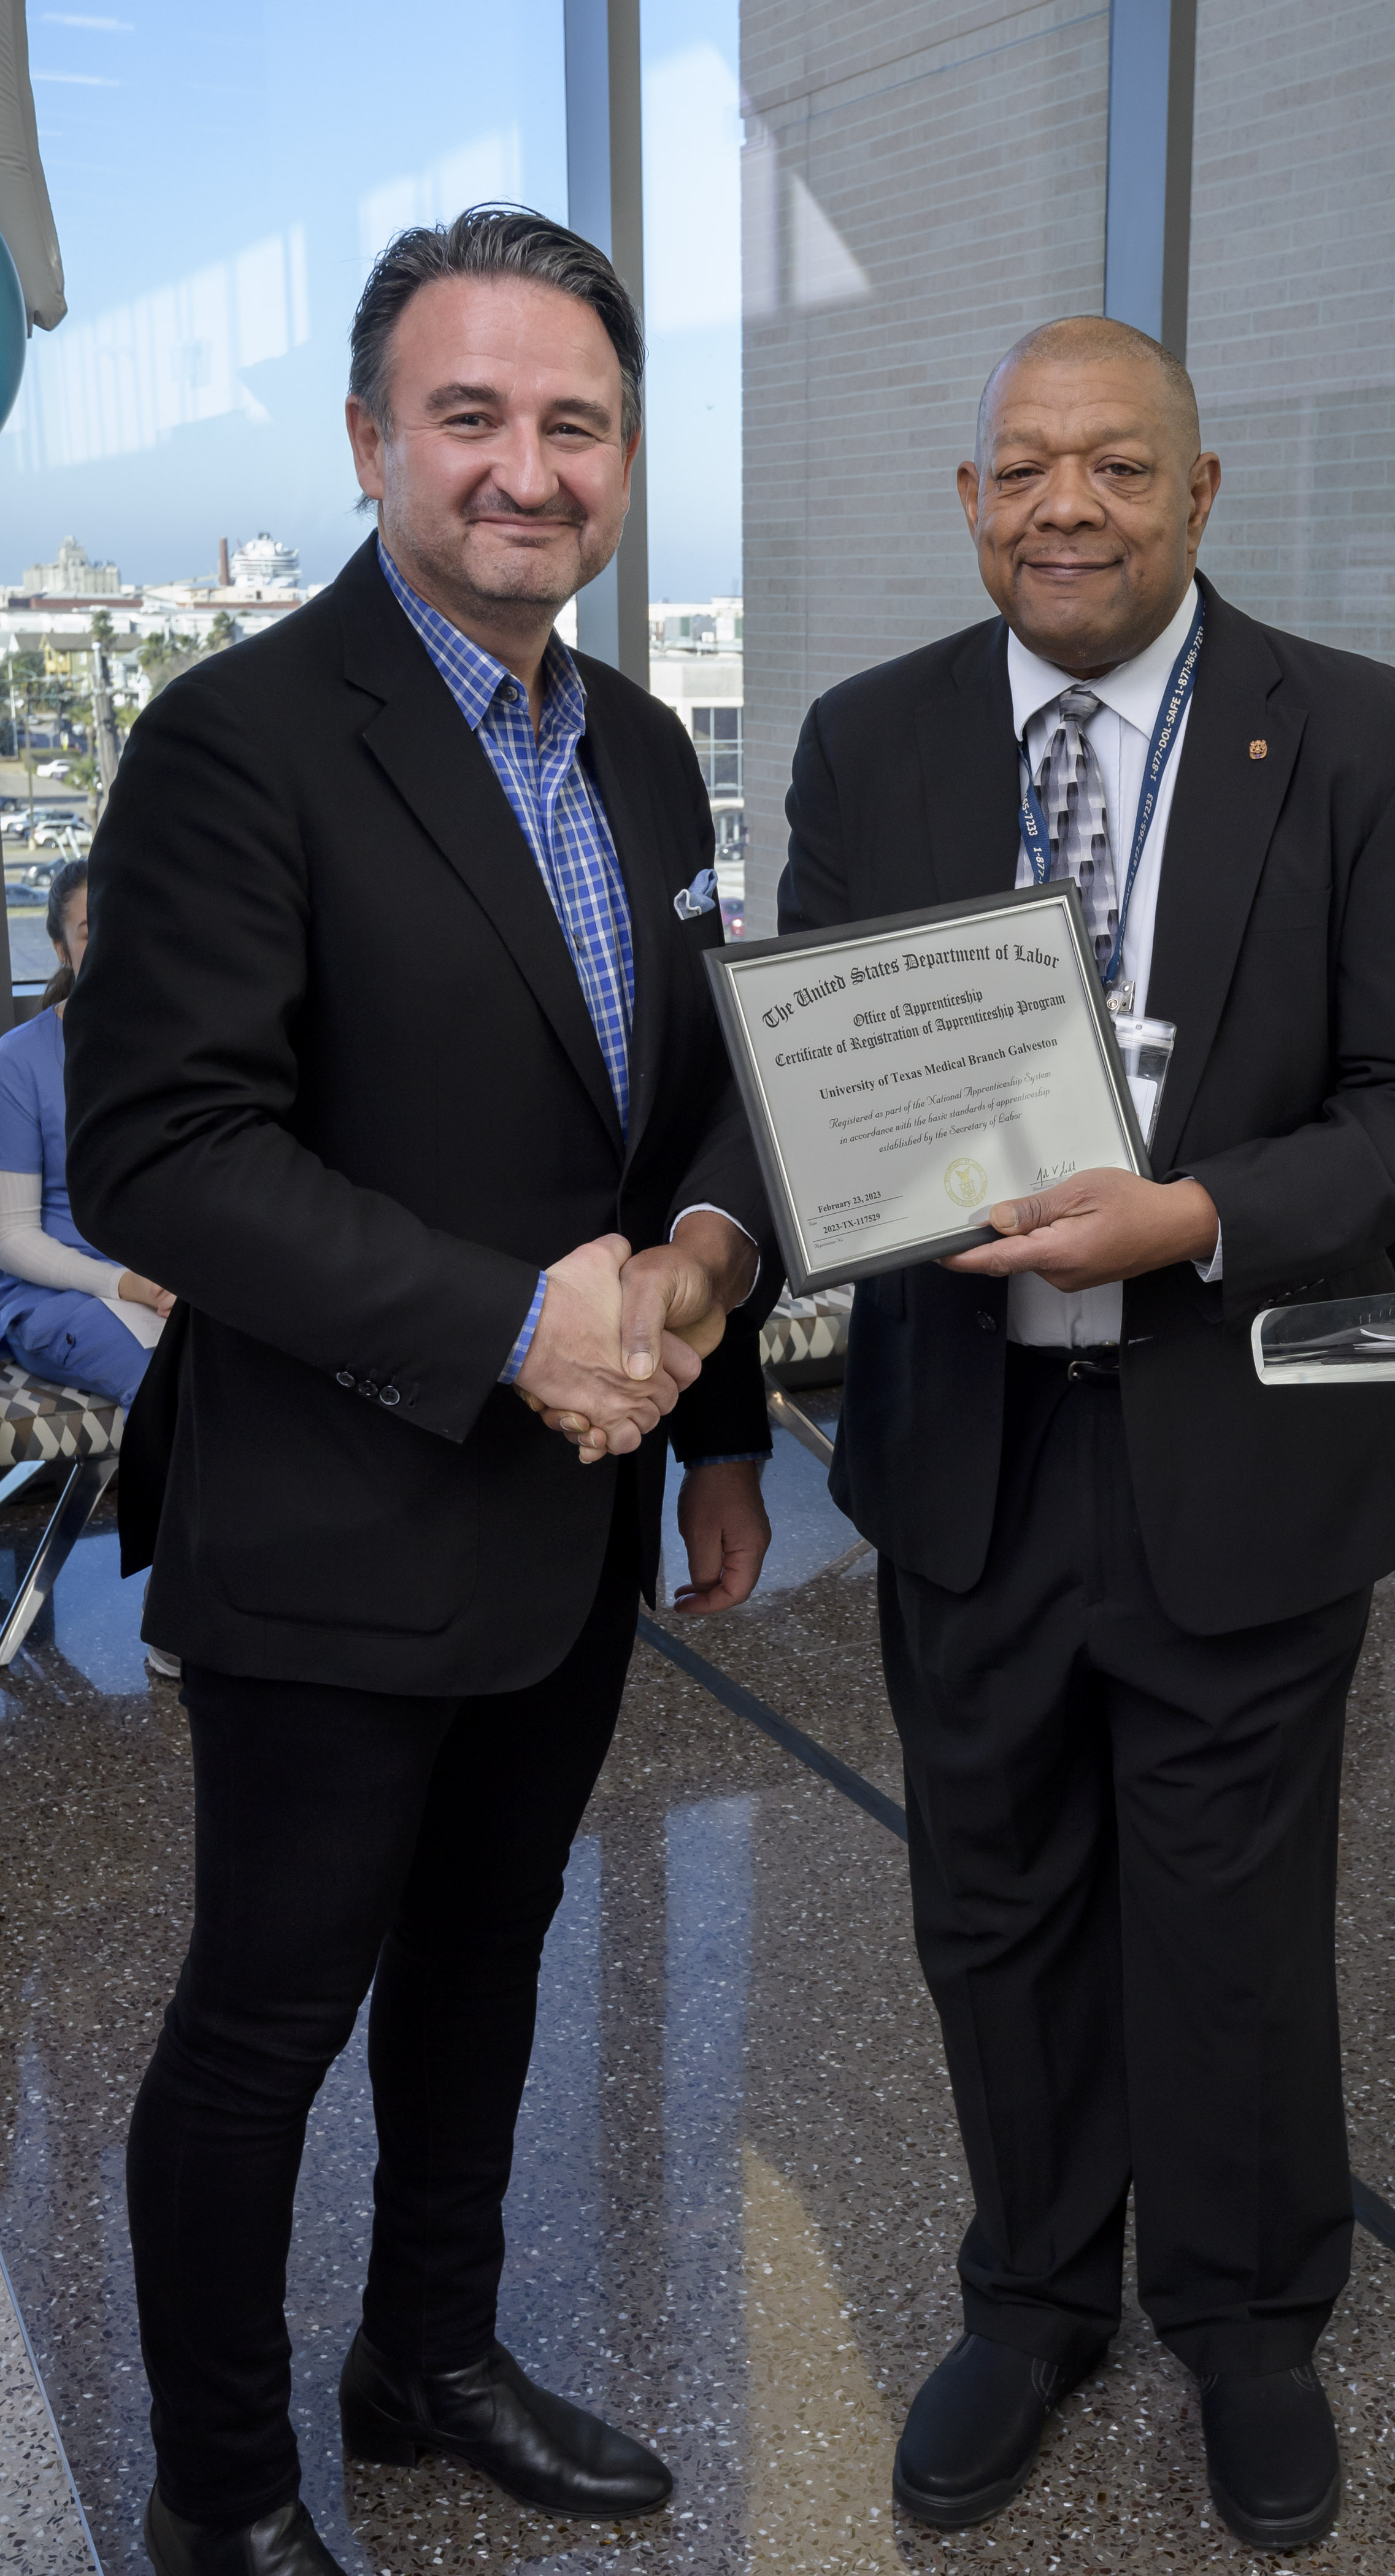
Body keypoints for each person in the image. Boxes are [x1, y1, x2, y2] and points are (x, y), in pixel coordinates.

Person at [65, 208, 776, 2576]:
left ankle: (429, 2351)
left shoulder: (650, 750)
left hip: (564, 1525)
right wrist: (512, 1320)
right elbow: (171, 1140)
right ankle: (222, 2487)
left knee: (490, 1954)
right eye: (467, 414)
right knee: (264, 2022)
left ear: (625, 460)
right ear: (375, 438)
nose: (522, 465)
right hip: (337, 1521)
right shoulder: (235, 740)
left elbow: (693, 1094)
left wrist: (698, 1306)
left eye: (571, 421)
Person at [777, 317, 1395, 2551]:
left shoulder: (1362, 738)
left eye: (1113, 465)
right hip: (963, 1446)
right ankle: (1028, 2295)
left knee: (1226, 1912)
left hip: (1233, 1432)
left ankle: (1246, 2313)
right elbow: (818, 1056)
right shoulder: (872, 736)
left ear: (1199, 497)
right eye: (1019, 468)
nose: (1062, 504)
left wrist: (1195, 1206)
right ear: (968, 499)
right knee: (988, 1899)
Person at [0, 857, 174, 1411]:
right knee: (182, 1392)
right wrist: (124, 1284)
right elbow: (12, 1238)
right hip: (59, 1294)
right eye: (89, 930)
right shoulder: (19, 1062)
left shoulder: (178, 1049)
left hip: (170, 1283)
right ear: (61, 951)